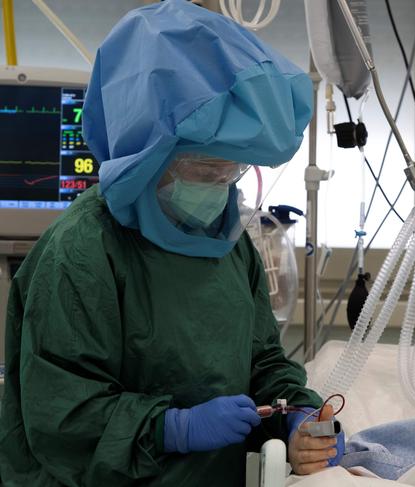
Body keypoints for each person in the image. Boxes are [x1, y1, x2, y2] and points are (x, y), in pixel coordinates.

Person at [0, 0, 343, 484]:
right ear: (143, 152)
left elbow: (262, 359)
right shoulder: (80, 253)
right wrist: (171, 428)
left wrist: (296, 419)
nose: (221, 183)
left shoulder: (226, 240)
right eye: (204, 169)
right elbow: (61, 418)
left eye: (233, 169)